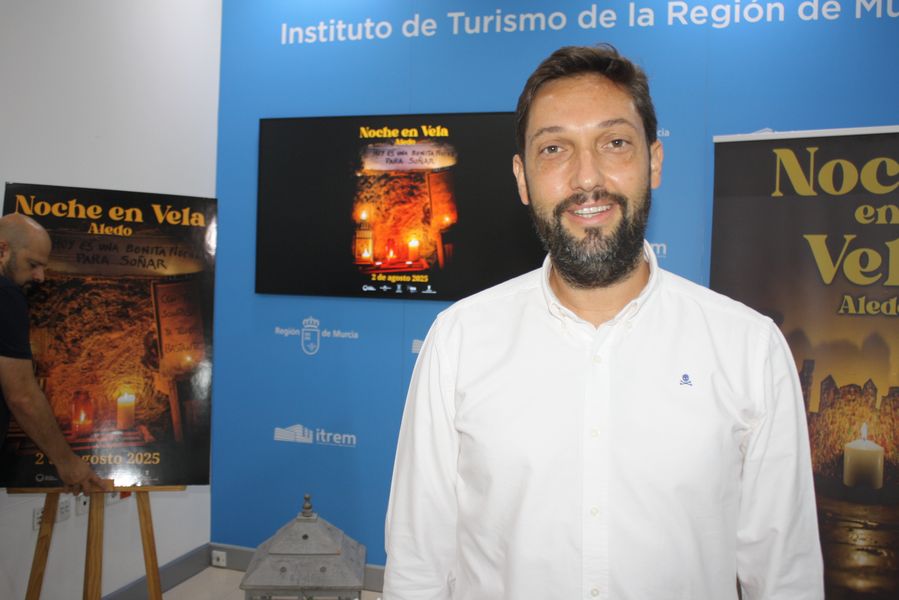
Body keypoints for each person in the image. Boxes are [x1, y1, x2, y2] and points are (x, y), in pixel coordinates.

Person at [383, 45, 823, 600]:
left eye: (614, 143)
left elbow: (785, 579)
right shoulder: (459, 341)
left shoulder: (748, 349)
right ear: (522, 179)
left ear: (654, 162)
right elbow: (419, 565)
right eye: (554, 149)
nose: (586, 176)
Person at [0, 213, 108, 495]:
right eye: (33, 264)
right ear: (2, 250)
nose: (40, 277)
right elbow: (22, 395)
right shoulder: (5, 294)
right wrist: (68, 463)